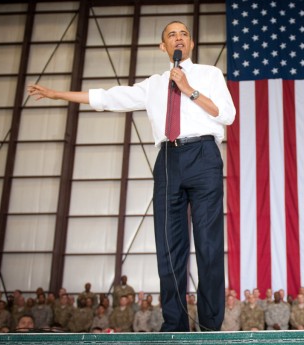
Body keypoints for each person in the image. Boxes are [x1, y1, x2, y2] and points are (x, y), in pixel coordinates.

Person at [28, 20, 236, 332]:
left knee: (208, 244)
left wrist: (188, 90)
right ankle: (175, 323)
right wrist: (58, 94)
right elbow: (109, 98)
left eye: (184, 34)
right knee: (169, 247)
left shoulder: (209, 74)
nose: (178, 39)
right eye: (171, 35)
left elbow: (227, 115)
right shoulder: (153, 85)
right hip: (168, 159)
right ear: (162, 47)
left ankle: (209, 324)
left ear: (191, 44)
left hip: (203, 155)